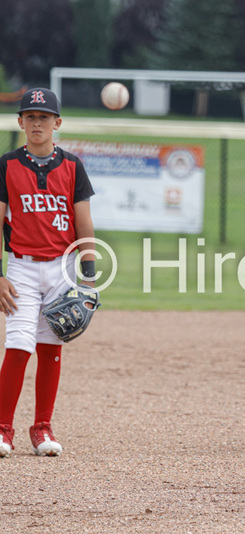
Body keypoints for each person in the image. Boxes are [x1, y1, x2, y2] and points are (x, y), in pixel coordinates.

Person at [0, 88, 96, 458]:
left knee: (51, 346)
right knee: (19, 346)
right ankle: (3, 429)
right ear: (19, 122)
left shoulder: (72, 166)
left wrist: (87, 275)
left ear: (57, 123)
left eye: (44, 117)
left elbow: (83, 222)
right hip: (21, 267)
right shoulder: (6, 165)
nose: (36, 122)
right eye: (30, 116)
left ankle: (42, 428)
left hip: (63, 269)